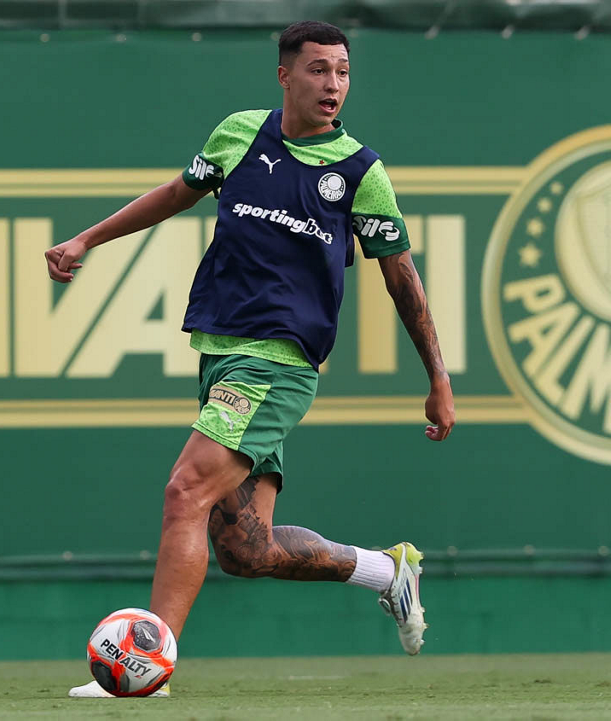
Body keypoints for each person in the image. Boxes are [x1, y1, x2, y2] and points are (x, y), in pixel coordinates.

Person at [46, 20, 455, 698]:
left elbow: (401, 277)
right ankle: (388, 572)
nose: (333, 84)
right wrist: (88, 238)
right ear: (284, 76)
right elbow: (175, 193)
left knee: (184, 491)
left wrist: (437, 377)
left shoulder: (360, 172)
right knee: (246, 549)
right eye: (318, 69)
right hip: (221, 353)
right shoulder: (239, 134)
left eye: (343, 71)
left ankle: (148, 669)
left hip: (277, 364)